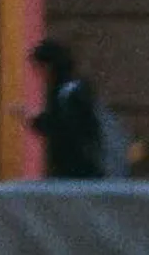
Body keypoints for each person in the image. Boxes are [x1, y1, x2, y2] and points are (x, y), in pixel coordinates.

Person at [24, 37, 105, 179]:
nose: (39, 75)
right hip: (80, 168)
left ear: (49, 66)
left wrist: (37, 120)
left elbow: (65, 129)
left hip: (77, 170)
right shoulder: (73, 87)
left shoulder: (67, 92)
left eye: (39, 68)